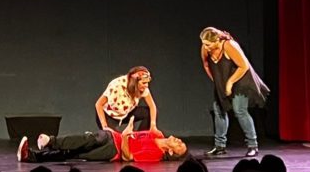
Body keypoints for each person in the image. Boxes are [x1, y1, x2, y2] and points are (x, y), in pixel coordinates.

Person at [199, 27, 269, 157]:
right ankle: (219, 146)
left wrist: (230, 83)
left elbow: (244, 66)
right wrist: (217, 81)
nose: (205, 47)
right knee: (219, 109)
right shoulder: (205, 48)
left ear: (217, 41)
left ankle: (253, 145)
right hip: (223, 79)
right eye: (203, 43)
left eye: (208, 44)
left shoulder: (229, 45)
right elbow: (206, 65)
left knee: (239, 110)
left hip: (240, 79)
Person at [17, 116, 186, 163]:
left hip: (114, 151)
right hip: (113, 137)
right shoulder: (158, 135)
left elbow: (128, 158)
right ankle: (51, 141)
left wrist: (126, 137)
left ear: (170, 151)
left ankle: (31, 156)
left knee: (74, 153)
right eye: (181, 142)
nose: (179, 141)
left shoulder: (155, 155)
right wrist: (125, 134)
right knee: (90, 138)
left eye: (179, 146)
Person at [95, 66, 158, 132]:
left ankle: (139, 138)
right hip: (109, 115)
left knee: (148, 113)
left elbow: (152, 106)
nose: (147, 85)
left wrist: (153, 125)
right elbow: (98, 104)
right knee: (114, 139)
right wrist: (105, 126)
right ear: (135, 82)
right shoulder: (116, 86)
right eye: (144, 83)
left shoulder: (142, 88)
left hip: (126, 112)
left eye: (147, 83)